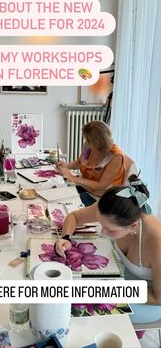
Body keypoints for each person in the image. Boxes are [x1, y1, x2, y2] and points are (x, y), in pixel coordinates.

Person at [55, 176, 161, 324]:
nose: (103, 232)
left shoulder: (157, 241)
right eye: (101, 223)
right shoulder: (112, 208)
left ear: (133, 227)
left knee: (79, 309)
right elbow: (74, 217)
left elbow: (158, 298)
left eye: (110, 230)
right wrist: (66, 237)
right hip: (123, 277)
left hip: (150, 299)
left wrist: (111, 290)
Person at [57, 121, 127, 206]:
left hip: (103, 197)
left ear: (98, 142)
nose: (86, 142)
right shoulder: (89, 145)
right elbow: (80, 162)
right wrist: (66, 165)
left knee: (67, 203)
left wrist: (74, 179)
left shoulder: (115, 157)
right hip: (87, 188)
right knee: (60, 193)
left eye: (89, 140)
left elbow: (101, 185)